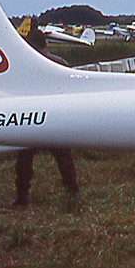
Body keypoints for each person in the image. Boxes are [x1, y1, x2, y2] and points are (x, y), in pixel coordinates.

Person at [13, 28, 80, 207]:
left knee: (24, 161)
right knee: (64, 159)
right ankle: (73, 192)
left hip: (31, 120)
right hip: (56, 119)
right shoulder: (60, 63)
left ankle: (22, 196)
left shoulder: (23, 66)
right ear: (45, 44)